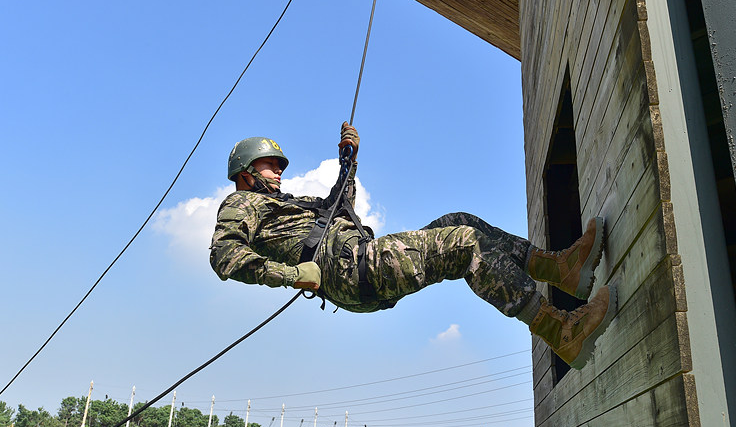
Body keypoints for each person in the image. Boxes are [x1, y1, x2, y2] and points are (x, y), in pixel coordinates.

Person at [209, 124, 616, 369]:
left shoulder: (286, 206)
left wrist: (349, 161)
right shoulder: (242, 203)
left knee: (461, 223)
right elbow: (224, 255)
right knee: (466, 245)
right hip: (353, 269)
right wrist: (293, 274)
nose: (279, 172)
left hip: (360, 259)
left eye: (281, 166)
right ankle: (560, 330)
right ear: (245, 173)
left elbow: (338, 210)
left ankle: (560, 268)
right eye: (270, 165)